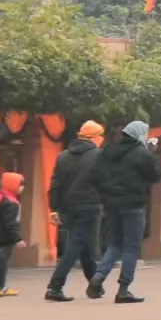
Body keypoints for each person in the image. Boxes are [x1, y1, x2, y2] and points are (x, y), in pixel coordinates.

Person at [88, 120, 161, 304]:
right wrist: (152, 156)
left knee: (115, 243)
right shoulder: (142, 153)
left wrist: (106, 194)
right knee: (131, 246)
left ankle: (99, 275)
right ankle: (123, 289)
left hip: (111, 204)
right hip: (133, 204)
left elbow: (94, 176)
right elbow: (155, 175)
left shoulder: (107, 151)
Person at [42, 119, 104, 302]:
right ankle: (55, 286)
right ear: (94, 137)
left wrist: (54, 208)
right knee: (75, 246)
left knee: (85, 246)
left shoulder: (63, 156)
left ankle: (95, 286)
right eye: (101, 135)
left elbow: (55, 185)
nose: (102, 139)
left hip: (69, 208)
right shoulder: (99, 156)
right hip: (90, 206)